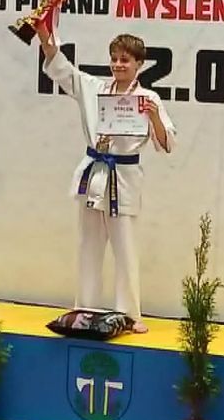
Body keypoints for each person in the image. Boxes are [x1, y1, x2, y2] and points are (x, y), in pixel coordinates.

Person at [36, 25, 175, 334]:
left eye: (125, 60)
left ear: (139, 64)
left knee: (125, 249)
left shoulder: (147, 98)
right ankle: (84, 308)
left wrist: (153, 116)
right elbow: (64, 71)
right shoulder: (94, 89)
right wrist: (46, 39)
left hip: (124, 179)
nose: (117, 65)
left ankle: (129, 314)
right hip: (94, 175)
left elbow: (167, 144)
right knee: (88, 246)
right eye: (114, 59)